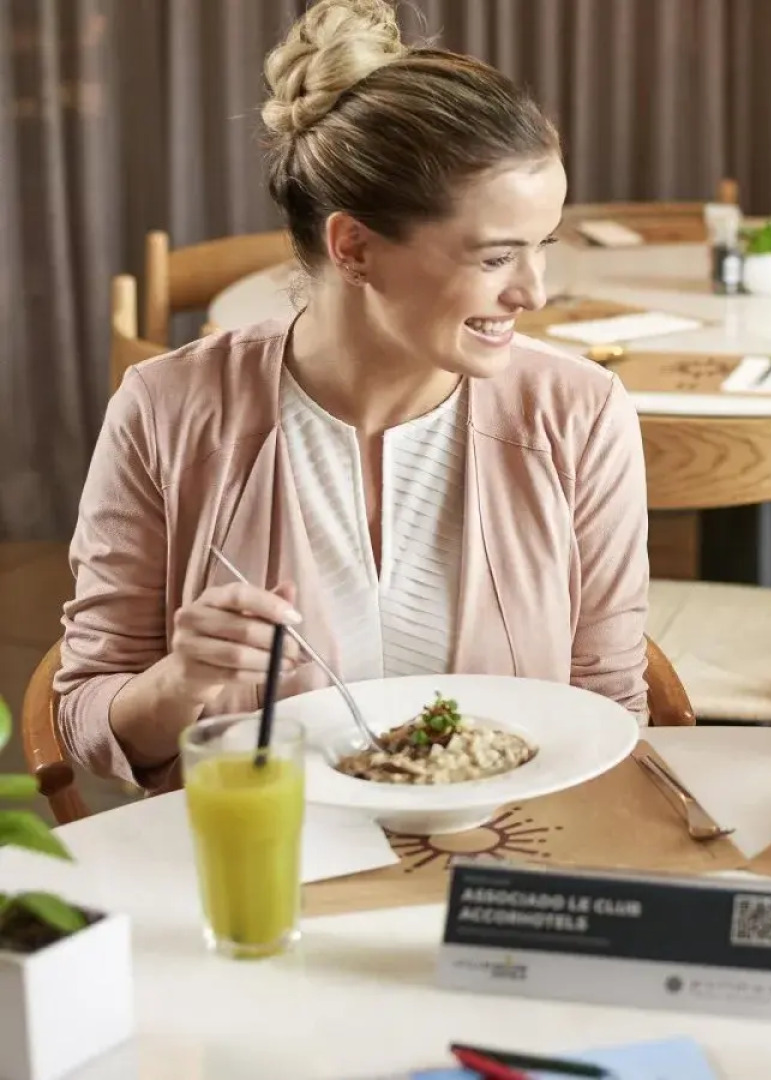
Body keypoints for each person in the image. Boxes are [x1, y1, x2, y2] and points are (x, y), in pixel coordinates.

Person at [56, 0, 649, 794]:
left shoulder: (579, 414)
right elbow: (86, 717)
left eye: (542, 246)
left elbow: (610, 709)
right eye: (498, 256)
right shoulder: (167, 409)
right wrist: (182, 680)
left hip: (505, 866)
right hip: (262, 878)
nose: (532, 294)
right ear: (355, 247)